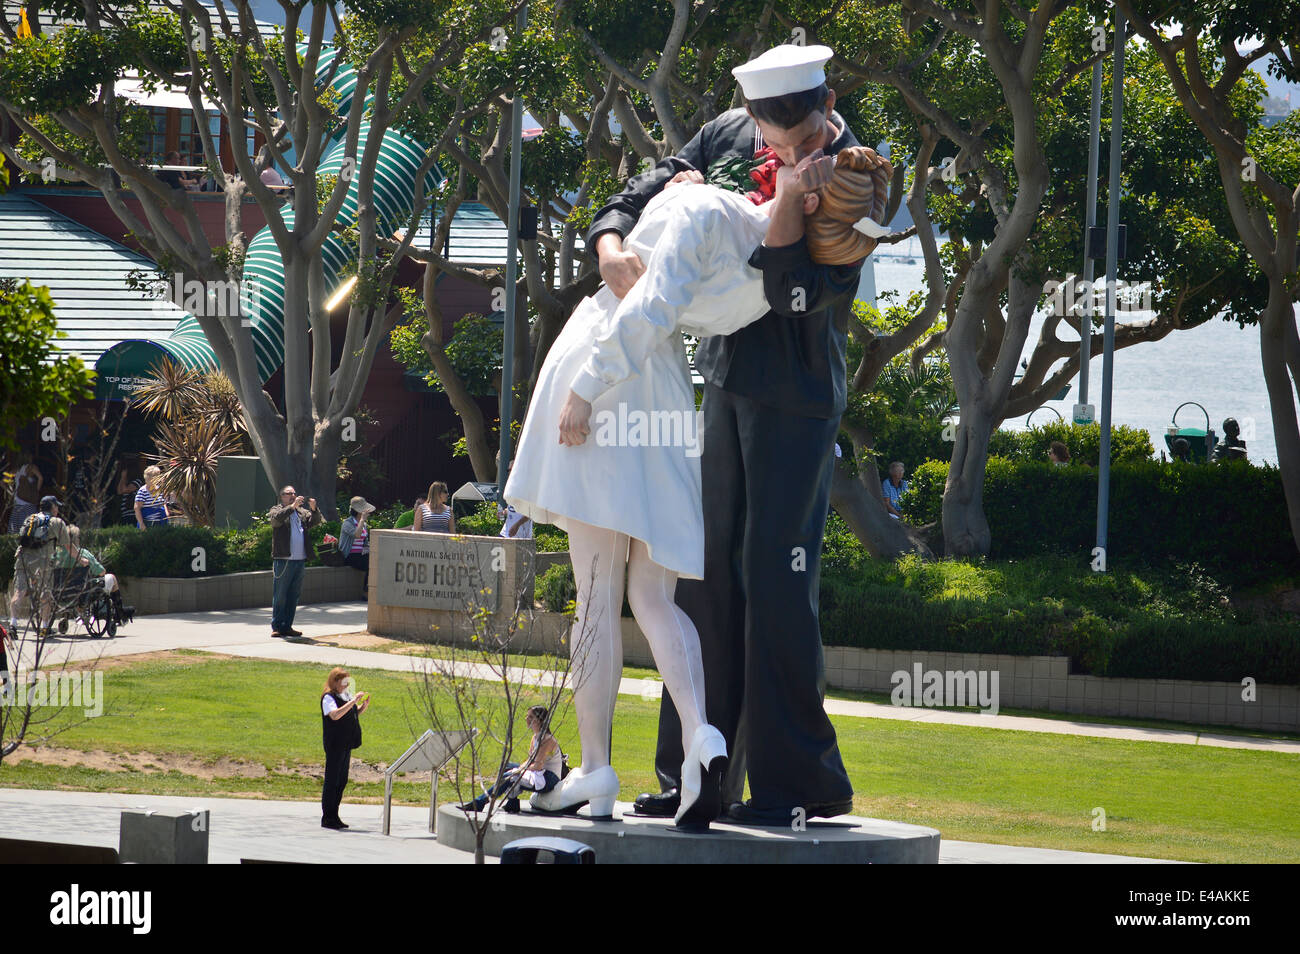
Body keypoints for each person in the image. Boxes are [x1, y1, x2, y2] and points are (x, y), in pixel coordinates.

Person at [507, 44, 888, 828]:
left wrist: (791, 200)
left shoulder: (856, 176)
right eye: (773, 136)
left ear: (827, 103)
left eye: (803, 130)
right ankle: (696, 772)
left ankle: (796, 783)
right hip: (717, 378)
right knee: (699, 574)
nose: (788, 147)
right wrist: (610, 245)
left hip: (796, 391)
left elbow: (793, 294)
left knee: (778, 581)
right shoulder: (727, 135)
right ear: (752, 116)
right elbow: (648, 183)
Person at [459, 705, 564, 814]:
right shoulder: (535, 737)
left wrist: (520, 770)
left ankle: (479, 803)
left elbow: (538, 766)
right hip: (539, 773)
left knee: (509, 777)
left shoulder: (547, 740)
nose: (526, 719)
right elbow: (530, 760)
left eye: (530, 717)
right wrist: (520, 768)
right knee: (506, 767)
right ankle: (512, 803)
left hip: (548, 778)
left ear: (539, 720)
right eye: (527, 716)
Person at [9, 496, 72, 637]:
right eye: (57, 506)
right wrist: (82, 558)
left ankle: (13, 625)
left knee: (19, 592)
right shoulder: (57, 522)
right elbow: (68, 546)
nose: (58, 509)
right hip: (43, 563)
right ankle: (44, 628)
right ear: (53, 507)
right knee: (45, 595)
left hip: (23, 559)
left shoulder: (30, 519)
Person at [268, 486, 322, 638]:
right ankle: (277, 626)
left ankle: (287, 626)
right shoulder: (277, 510)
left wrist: (314, 509)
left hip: (299, 560)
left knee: (293, 595)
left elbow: (315, 521)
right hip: (284, 559)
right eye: (288, 494)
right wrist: (292, 507)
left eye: (294, 493)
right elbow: (276, 521)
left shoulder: (301, 513)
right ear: (281, 496)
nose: (292, 496)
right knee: (280, 595)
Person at [320, 667, 369, 830]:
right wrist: (353, 701)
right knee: (332, 780)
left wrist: (362, 707)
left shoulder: (345, 696)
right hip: (335, 744)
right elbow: (335, 715)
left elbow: (349, 714)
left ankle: (335, 815)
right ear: (335, 682)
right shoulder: (329, 698)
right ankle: (328, 817)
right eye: (344, 682)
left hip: (346, 743)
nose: (347, 685)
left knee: (341, 780)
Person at [337, 496, 375, 588]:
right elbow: (357, 535)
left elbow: (364, 542)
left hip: (360, 554)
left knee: (375, 561)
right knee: (370, 565)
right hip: (349, 555)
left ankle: (370, 589)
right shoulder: (347, 523)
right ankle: (366, 591)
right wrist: (362, 520)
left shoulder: (364, 524)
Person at [8, 457, 43, 534]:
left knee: (15, 530)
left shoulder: (16, 470)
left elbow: (2, 482)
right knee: (28, 529)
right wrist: (36, 491)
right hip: (28, 503)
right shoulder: (31, 467)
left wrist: (12, 492)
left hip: (17, 503)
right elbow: (40, 478)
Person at [116, 463, 142, 527]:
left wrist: (123, 477)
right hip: (125, 514)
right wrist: (122, 478)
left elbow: (125, 490)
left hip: (132, 515)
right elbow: (119, 491)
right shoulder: (126, 482)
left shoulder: (137, 482)